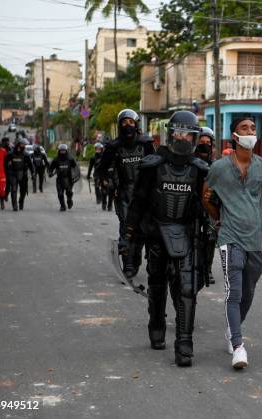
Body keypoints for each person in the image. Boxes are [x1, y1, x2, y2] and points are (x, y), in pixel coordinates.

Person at [125, 111, 209, 367]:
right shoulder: (153, 166)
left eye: (189, 134)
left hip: (187, 233)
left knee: (186, 288)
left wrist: (212, 228)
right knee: (158, 283)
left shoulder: (201, 170)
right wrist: (129, 234)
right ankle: (156, 324)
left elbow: (209, 204)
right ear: (170, 134)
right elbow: (138, 202)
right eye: (179, 133)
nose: (183, 138)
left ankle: (185, 343)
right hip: (157, 233)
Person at [202, 116, 262, 369]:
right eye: (245, 128)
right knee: (233, 291)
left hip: (253, 238)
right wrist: (218, 219)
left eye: (253, 128)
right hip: (229, 237)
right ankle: (238, 345)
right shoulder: (219, 167)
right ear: (234, 135)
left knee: (249, 290)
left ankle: (233, 328)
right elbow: (206, 196)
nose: (250, 132)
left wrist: (251, 215)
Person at [99, 109, 155, 278]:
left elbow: (157, 165)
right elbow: (101, 169)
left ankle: (141, 258)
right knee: (126, 228)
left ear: (136, 124)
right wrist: (105, 181)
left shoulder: (146, 143)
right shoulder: (113, 147)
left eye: (131, 122)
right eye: (124, 123)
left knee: (145, 230)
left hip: (145, 193)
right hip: (124, 192)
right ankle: (128, 264)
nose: (128, 125)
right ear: (119, 125)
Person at [195, 126, 217, 285]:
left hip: (209, 206)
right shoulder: (189, 163)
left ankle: (207, 269)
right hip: (191, 204)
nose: (204, 145)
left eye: (207, 142)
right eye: (201, 142)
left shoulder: (216, 166)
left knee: (210, 236)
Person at [5, 138, 34, 211]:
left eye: (24, 145)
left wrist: (33, 173)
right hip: (13, 173)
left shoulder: (26, 154)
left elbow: (31, 165)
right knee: (13, 189)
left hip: (23, 174)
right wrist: (7, 172)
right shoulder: (10, 154)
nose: (23, 146)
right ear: (18, 144)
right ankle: (14, 206)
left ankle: (21, 202)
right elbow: (5, 163)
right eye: (22, 144)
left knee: (23, 190)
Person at [48, 144, 77, 211]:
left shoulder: (70, 159)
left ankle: (69, 201)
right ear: (59, 151)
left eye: (64, 150)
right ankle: (63, 206)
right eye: (61, 150)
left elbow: (75, 168)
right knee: (60, 194)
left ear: (66, 151)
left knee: (69, 192)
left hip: (69, 179)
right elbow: (51, 168)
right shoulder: (56, 159)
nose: (62, 152)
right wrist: (50, 173)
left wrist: (75, 175)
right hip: (59, 179)